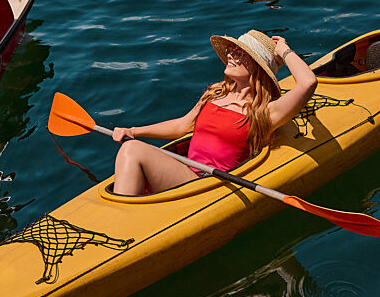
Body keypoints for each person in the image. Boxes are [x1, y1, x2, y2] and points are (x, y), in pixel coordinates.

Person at [111, 30, 317, 195]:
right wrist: (134, 131)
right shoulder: (215, 93)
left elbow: (308, 82)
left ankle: (124, 219)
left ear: (258, 67)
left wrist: (284, 50)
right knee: (132, 146)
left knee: (133, 151)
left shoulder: (267, 112)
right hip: (185, 173)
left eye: (241, 53)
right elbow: (182, 125)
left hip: (208, 186)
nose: (230, 54)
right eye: (231, 49)